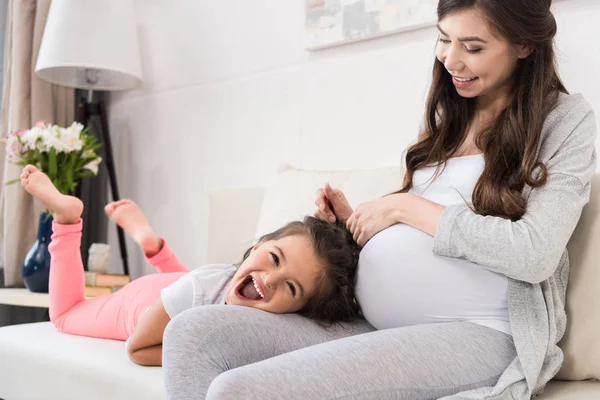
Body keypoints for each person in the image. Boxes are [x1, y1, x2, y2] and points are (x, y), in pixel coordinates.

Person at [161, 0, 597, 399]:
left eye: (473, 47)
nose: (451, 60)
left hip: (482, 333)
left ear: (524, 45)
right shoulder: (450, 119)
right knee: (191, 333)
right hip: (372, 322)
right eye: (444, 40)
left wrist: (402, 207)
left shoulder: (565, 121)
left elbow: (535, 253)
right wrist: (359, 224)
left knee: (239, 391)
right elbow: (425, 233)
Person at [18, 164, 361, 367]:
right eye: (273, 258)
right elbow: (137, 349)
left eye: (291, 287)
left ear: (299, 309)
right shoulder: (196, 292)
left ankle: (151, 242)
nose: (271, 279)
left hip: (186, 285)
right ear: (257, 244)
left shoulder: (251, 301)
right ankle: (67, 219)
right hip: (139, 305)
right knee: (64, 315)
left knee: (194, 284)